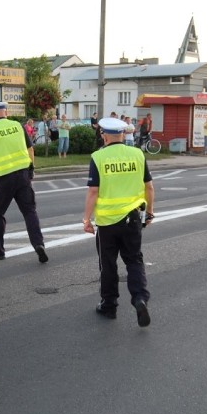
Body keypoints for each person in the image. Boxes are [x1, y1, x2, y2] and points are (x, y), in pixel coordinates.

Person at [83, 117, 155, 327]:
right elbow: (149, 187)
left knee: (108, 264)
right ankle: (140, 298)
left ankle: (109, 305)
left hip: (107, 223)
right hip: (132, 219)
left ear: (104, 135)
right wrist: (149, 212)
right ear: (123, 134)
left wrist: (86, 219)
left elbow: (93, 191)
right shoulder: (137, 154)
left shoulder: (98, 157)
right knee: (134, 260)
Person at [0, 102, 48, 263]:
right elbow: (30, 149)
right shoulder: (18, 126)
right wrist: (31, 168)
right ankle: (39, 244)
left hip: (3, 180)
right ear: (6, 112)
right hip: (23, 175)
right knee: (29, 212)